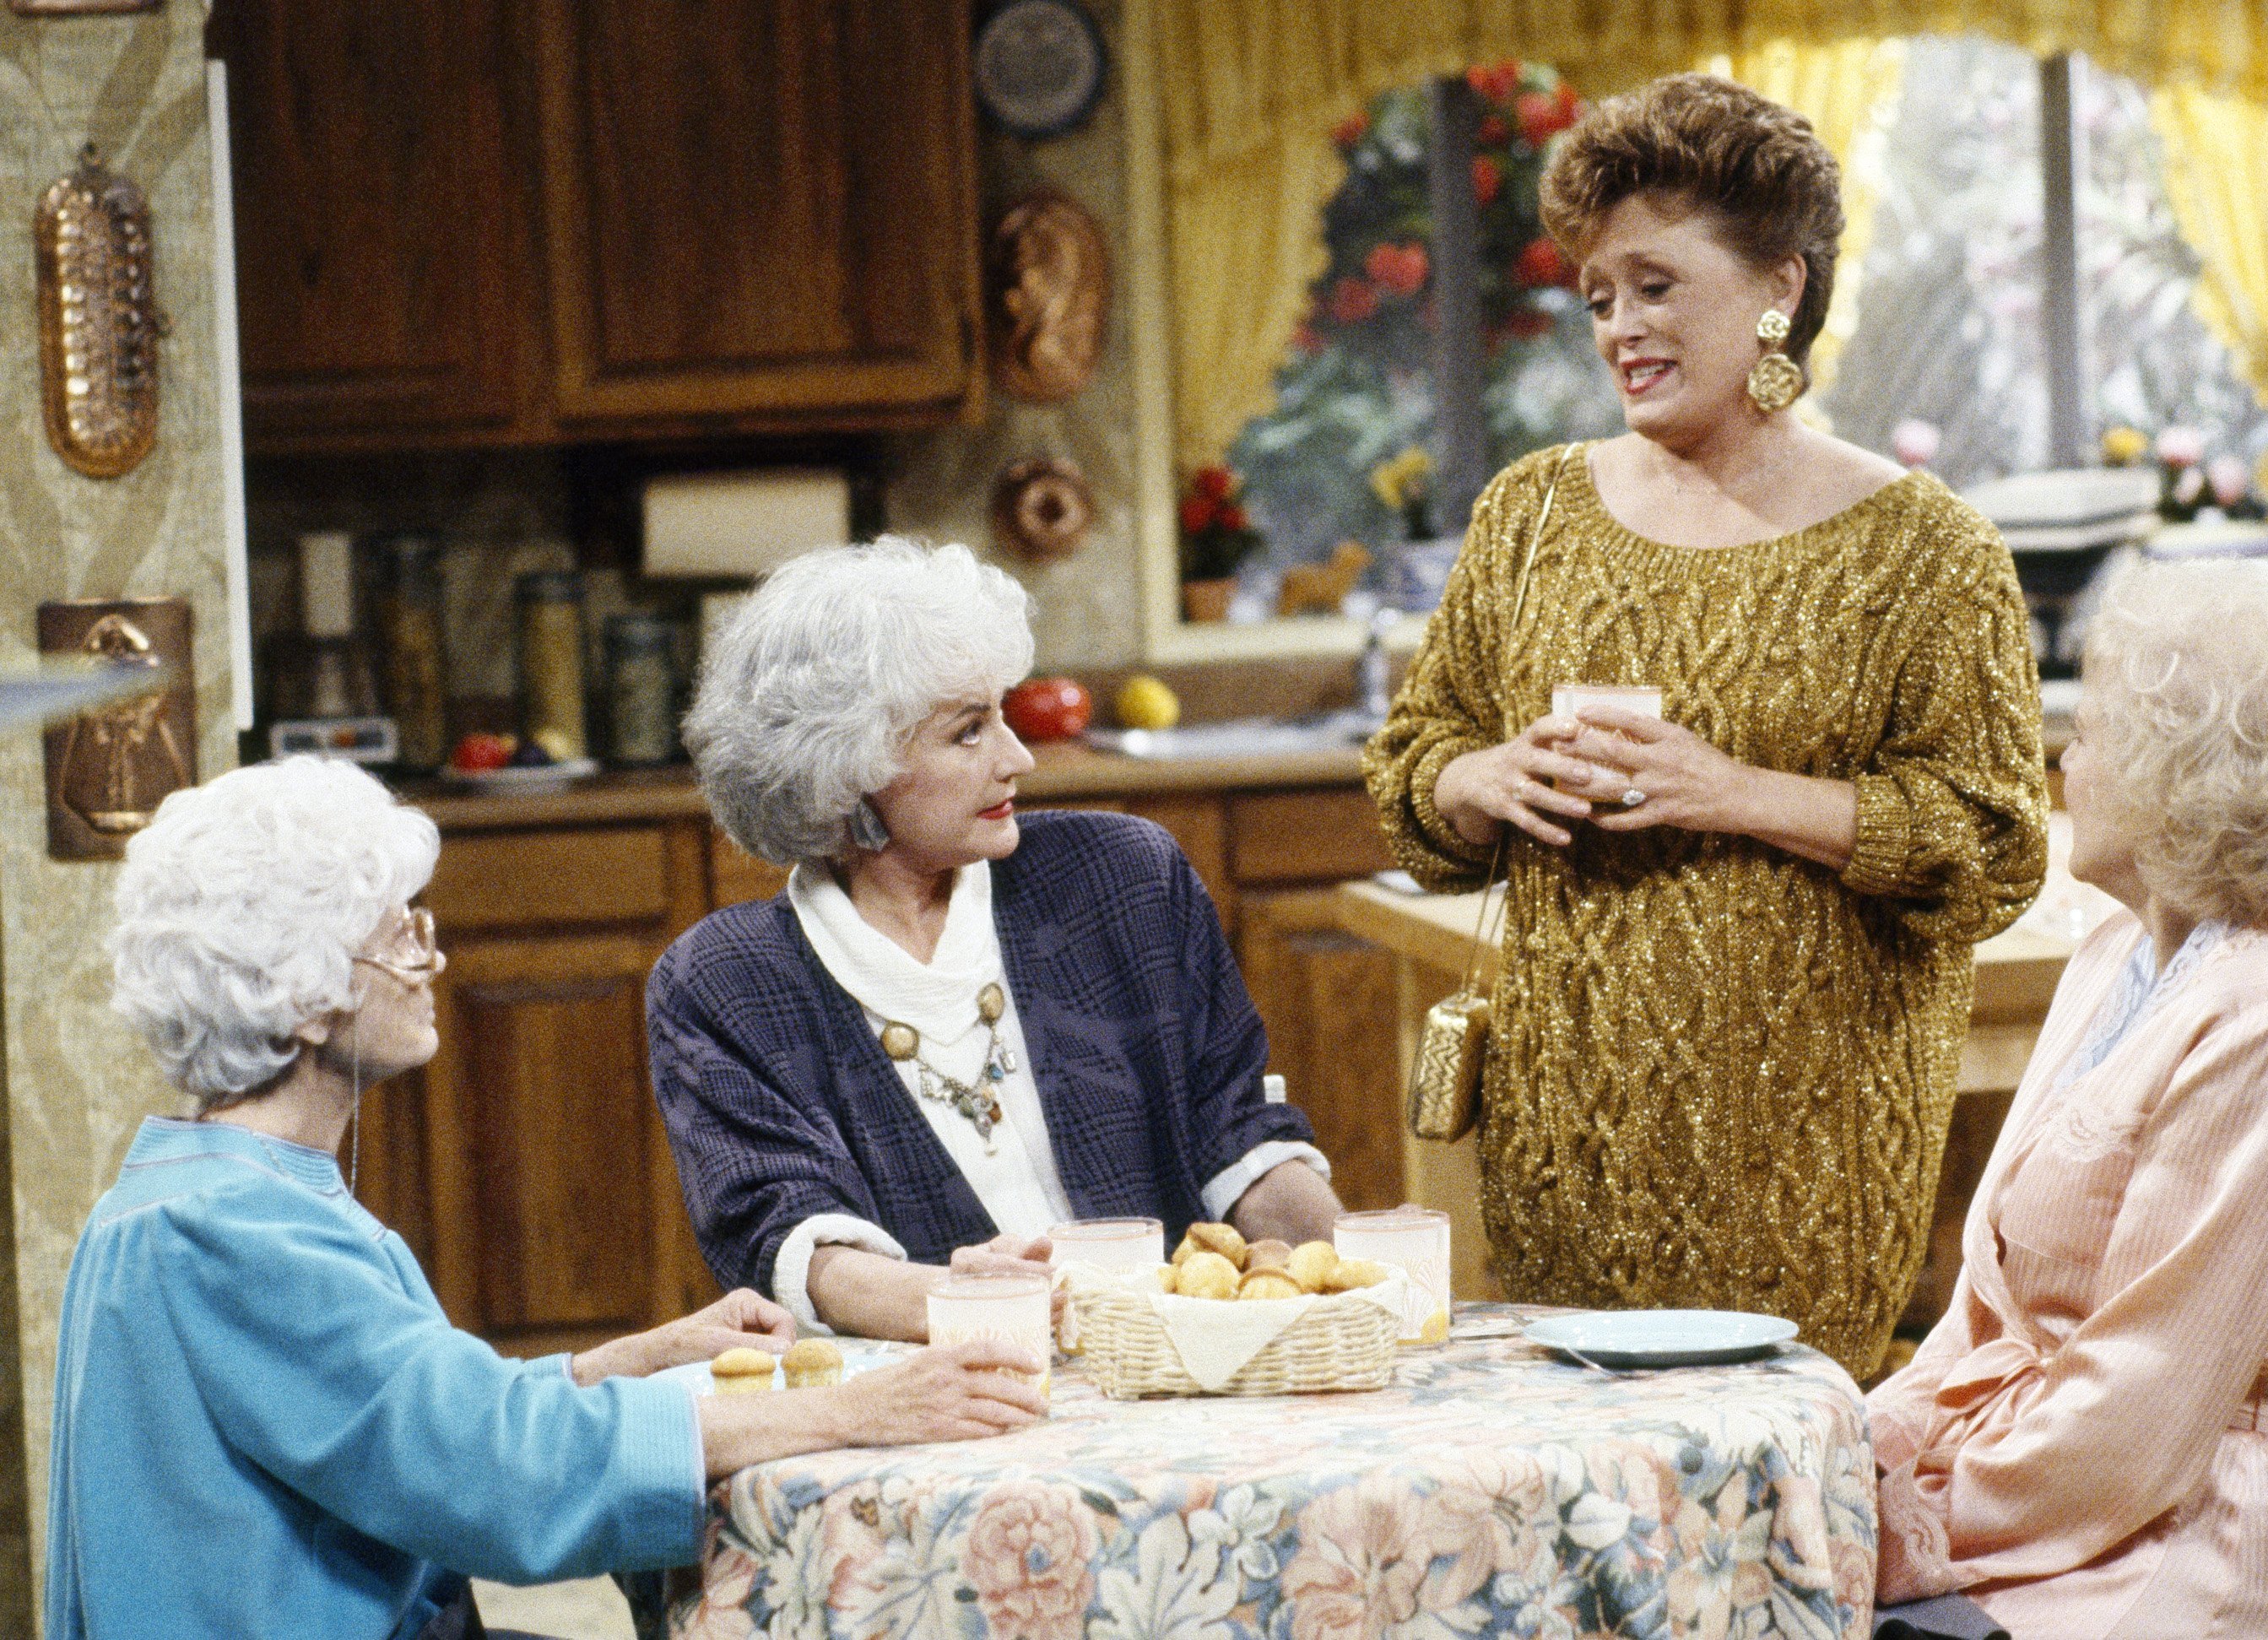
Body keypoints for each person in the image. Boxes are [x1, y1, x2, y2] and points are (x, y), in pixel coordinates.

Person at [1362, 72, 2048, 1375]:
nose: (1620, 325)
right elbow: (1412, 768)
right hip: (1570, 1140)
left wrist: (1730, 789)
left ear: (1778, 285)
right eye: (1600, 297)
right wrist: (1482, 779)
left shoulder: (1927, 549)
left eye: (1657, 284)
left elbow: (1998, 844)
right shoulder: (1531, 514)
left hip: (1814, 1147)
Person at [51, 758, 1044, 1640]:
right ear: (306, 997)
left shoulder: (204, 1195)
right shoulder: (228, 1236)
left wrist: (638, 1357)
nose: (432, 965)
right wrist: (856, 1409)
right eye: (402, 939)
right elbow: (495, 1468)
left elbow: (421, 1412)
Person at [1869, 558, 2268, 1637]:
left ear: (2196, 771)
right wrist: (1862, 1449)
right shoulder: (2112, 960)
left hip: (2201, 1535)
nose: (2063, 758)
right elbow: (1985, 1301)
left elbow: (2144, 1403)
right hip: (2064, 1490)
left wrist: (1912, 1521)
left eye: (2098, 731)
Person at [653, 538, 1341, 1342]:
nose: (1018, 757)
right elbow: (797, 1246)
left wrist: (1363, 1263)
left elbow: (1238, 1135)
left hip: (1176, 1370)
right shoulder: (724, 981)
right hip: (941, 1395)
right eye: (969, 731)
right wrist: (968, 1300)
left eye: (1004, 714)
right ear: (845, 764)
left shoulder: (1123, 880)